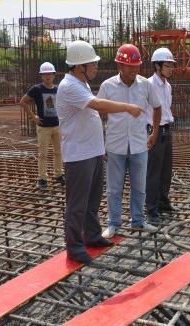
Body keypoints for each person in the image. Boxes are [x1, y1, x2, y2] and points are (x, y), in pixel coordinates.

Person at [56, 40, 144, 265]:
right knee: (77, 205)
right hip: (78, 156)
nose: (96, 67)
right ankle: (75, 247)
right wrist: (126, 107)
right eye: (92, 64)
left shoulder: (81, 83)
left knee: (92, 201)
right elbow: (97, 105)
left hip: (93, 152)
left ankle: (92, 236)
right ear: (79, 66)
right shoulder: (69, 86)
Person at [99, 44, 162, 238]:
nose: (135, 69)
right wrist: (101, 141)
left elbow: (157, 107)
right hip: (115, 145)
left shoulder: (145, 85)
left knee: (139, 187)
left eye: (137, 66)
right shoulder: (107, 86)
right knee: (114, 188)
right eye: (130, 66)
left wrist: (154, 133)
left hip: (138, 145)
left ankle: (138, 221)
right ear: (120, 65)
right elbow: (100, 113)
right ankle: (113, 224)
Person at [146, 47, 178, 225]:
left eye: (172, 65)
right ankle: (151, 209)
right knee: (153, 172)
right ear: (157, 66)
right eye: (168, 65)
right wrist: (150, 133)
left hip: (166, 128)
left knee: (166, 170)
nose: (171, 68)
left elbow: (166, 109)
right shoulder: (148, 84)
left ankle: (163, 202)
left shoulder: (168, 86)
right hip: (153, 130)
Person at [20, 62, 64, 190]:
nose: (47, 76)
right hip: (43, 127)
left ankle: (59, 174)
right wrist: (33, 117)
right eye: (45, 74)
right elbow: (23, 102)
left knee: (59, 152)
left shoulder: (58, 89)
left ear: (54, 75)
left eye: (49, 73)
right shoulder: (37, 89)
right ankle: (42, 178)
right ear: (41, 76)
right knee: (43, 154)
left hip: (57, 126)